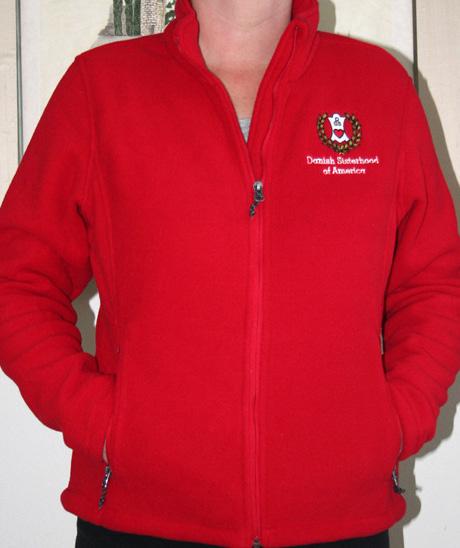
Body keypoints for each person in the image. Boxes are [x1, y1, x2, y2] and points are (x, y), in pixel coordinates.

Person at [1, 0, 460, 547]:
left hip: (340, 522)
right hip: (139, 519)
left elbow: (435, 282)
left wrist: (396, 421)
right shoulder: (102, 87)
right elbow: (18, 278)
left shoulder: (378, 87)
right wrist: (102, 423)